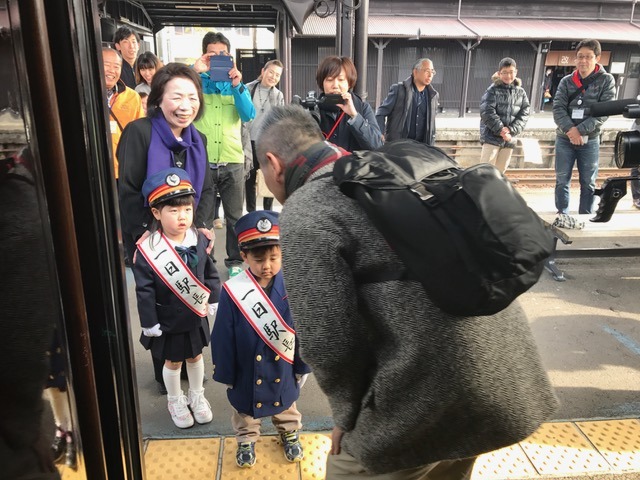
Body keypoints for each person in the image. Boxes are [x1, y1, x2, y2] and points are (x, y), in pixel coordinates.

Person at [254, 105, 559, 478]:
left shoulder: (308, 210)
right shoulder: (397, 167)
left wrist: (348, 417)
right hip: (506, 376)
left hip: (425, 400)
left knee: (348, 468)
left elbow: (327, 342)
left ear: (274, 164)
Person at [118, 63, 215, 394]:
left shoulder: (198, 139)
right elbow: (128, 189)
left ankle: (190, 362)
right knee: (160, 302)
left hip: (187, 235)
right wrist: (142, 232)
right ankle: (166, 372)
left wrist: (203, 225)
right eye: (177, 97)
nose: (185, 105)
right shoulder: (140, 132)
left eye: (192, 97)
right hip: (153, 239)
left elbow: (207, 189)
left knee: (189, 299)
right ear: (158, 98)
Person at [211, 210, 311, 468]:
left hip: (282, 363)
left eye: (274, 258)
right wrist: (226, 372)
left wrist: (303, 365)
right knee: (245, 409)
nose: (267, 265)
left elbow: (304, 329)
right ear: (244, 256)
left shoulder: (293, 285)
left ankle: (289, 431)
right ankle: (246, 438)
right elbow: (222, 335)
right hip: (246, 366)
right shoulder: (234, 290)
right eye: (258, 259)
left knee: (286, 402)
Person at [133, 168, 221, 428]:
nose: (182, 216)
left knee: (196, 357)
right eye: (173, 210)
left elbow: (210, 272)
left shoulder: (198, 239)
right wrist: (149, 322)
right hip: (168, 319)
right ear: (156, 213)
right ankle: (175, 400)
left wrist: (214, 298)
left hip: (195, 314)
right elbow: (144, 291)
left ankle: (197, 395)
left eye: (187, 209)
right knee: (172, 362)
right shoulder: (150, 250)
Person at [192, 32, 256, 278]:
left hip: (233, 159)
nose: (218, 58)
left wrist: (237, 85)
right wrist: (194, 72)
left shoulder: (237, 85)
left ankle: (234, 261)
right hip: (203, 160)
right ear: (203, 55)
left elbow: (249, 114)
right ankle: (206, 261)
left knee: (235, 217)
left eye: (223, 54)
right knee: (203, 216)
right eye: (212, 54)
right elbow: (180, 100)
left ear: (230, 57)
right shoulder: (195, 84)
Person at [553, 38, 616, 215]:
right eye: (580, 56)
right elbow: (558, 108)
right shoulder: (566, 81)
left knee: (588, 182)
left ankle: (585, 215)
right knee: (561, 180)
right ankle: (562, 214)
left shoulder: (606, 80)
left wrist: (579, 131)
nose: (583, 61)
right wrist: (570, 130)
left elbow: (604, 112)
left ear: (597, 58)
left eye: (588, 56)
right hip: (565, 138)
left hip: (590, 139)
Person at [308, 56, 382, 152]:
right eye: (329, 79)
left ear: (349, 83)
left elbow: (377, 146)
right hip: (323, 161)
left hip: (353, 162)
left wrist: (354, 115)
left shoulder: (362, 107)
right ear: (322, 83)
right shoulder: (313, 109)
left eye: (341, 79)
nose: (335, 85)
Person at [245, 60, 285, 211]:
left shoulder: (278, 95)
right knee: (249, 178)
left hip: (267, 144)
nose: (273, 77)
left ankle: (268, 211)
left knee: (269, 178)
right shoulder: (248, 89)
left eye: (277, 75)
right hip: (249, 141)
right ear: (263, 71)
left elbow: (280, 122)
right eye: (271, 72)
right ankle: (251, 211)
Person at [479, 57, 530, 173]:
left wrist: (511, 129)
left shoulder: (521, 92)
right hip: (491, 138)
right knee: (485, 172)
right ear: (499, 73)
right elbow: (486, 112)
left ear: (516, 72)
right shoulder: (492, 90)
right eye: (504, 72)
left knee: (500, 173)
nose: (508, 76)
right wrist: (501, 130)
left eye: (511, 72)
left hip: (509, 139)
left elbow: (525, 113)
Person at [103, 47, 145, 181]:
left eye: (116, 66)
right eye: (106, 64)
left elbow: (141, 134)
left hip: (124, 170)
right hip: (96, 169)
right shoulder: (85, 93)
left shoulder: (132, 96)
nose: (111, 70)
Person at [376, 58, 439, 145]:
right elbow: (380, 113)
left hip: (422, 146)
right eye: (427, 71)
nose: (430, 75)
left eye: (432, 72)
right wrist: (380, 133)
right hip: (399, 145)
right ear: (415, 72)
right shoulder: (399, 90)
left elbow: (432, 124)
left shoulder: (433, 95)